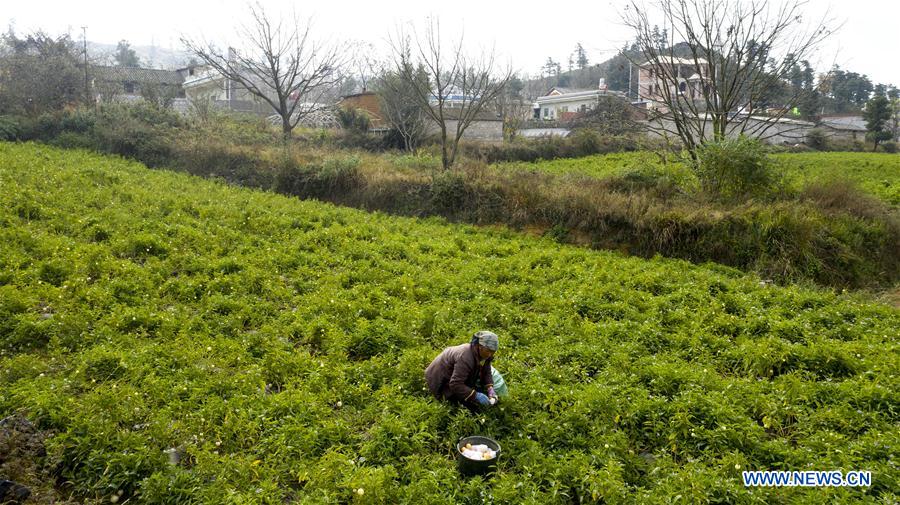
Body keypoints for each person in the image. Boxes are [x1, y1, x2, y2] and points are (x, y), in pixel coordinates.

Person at [425, 330, 504, 409]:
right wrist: (475, 395)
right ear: (479, 346)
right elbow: (455, 384)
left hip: (454, 374)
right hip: (439, 377)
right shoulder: (465, 357)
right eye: (488, 351)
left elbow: (486, 370)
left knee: (474, 394)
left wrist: (490, 387)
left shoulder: (485, 354)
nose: (490, 354)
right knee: (469, 406)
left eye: (493, 352)